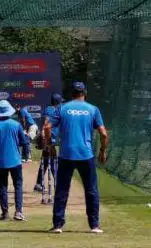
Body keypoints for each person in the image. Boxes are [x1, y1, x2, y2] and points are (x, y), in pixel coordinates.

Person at [47, 81, 108, 234]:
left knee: (62, 190)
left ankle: (58, 225)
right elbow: (104, 133)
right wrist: (102, 151)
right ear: (84, 93)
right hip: (86, 154)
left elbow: (47, 127)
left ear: (71, 93)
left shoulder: (62, 108)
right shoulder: (93, 109)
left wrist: (50, 146)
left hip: (66, 154)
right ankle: (94, 225)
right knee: (91, 190)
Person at [0, 99, 29, 221]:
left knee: (3, 186)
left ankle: (5, 213)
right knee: (18, 185)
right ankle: (18, 212)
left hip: (1, 161)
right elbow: (23, 142)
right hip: (15, 160)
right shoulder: (16, 125)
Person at [34, 92, 63, 192]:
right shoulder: (50, 110)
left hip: (50, 138)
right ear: (58, 102)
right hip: (49, 139)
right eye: (60, 102)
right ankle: (57, 184)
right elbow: (46, 122)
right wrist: (44, 136)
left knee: (46, 161)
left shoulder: (53, 109)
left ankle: (39, 184)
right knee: (53, 160)